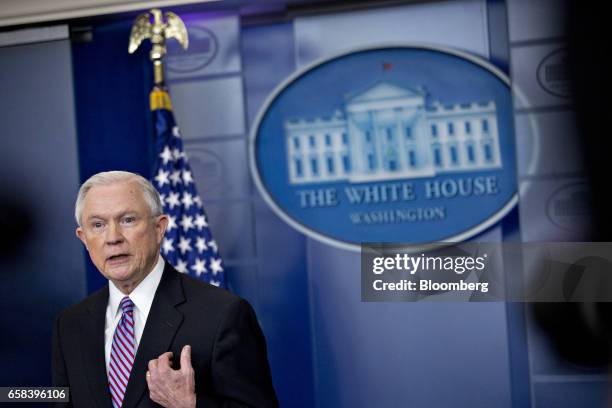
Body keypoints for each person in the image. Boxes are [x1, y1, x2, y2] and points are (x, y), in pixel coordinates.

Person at [52, 171, 278, 407]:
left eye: (127, 220)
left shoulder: (223, 314)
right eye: (98, 225)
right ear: (84, 238)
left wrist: (189, 406)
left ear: (159, 228)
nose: (113, 238)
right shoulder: (70, 325)